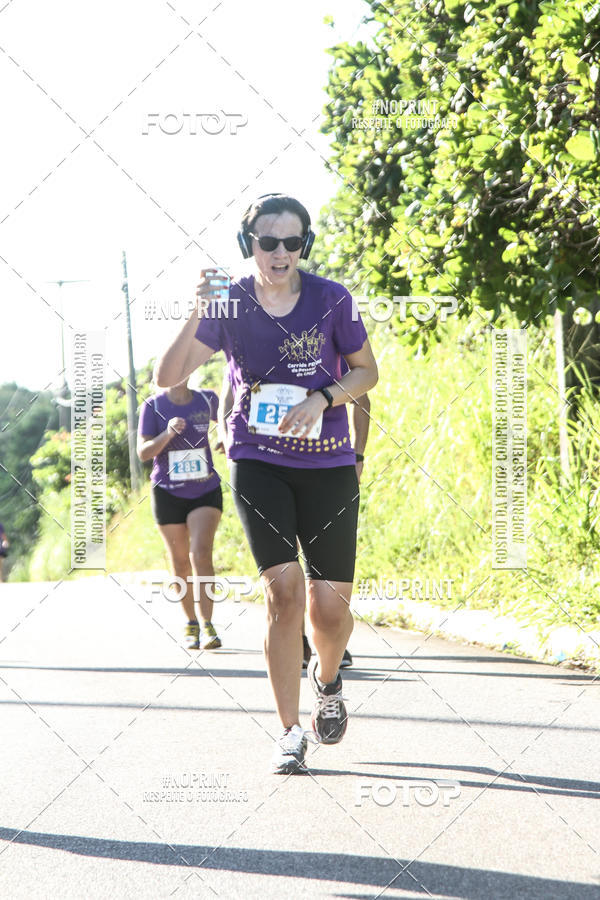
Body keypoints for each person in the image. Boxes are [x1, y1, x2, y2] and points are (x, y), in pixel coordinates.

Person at [155, 193, 378, 774]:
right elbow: (168, 376)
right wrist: (196, 310)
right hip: (257, 459)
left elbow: (366, 371)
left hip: (328, 462)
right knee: (283, 593)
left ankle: (326, 681)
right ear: (247, 245)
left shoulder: (332, 299)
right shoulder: (228, 303)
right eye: (267, 241)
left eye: (292, 242)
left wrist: (322, 398)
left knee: (329, 610)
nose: (280, 253)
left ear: (304, 244)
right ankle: (288, 733)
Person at [217, 369, 371, 669]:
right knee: (284, 570)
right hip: (265, 467)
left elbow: (361, 399)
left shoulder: (322, 347)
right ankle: (296, 638)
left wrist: (358, 455)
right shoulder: (251, 343)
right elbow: (227, 402)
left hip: (322, 467)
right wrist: (232, 452)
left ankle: (329, 640)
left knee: (324, 575)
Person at [137, 378, 223, 651]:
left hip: (204, 488)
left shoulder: (207, 399)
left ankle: (208, 624)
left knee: (201, 554)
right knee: (180, 561)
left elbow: (232, 420)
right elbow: (143, 452)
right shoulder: (152, 406)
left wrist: (224, 437)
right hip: (168, 491)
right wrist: (168, 434)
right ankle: (191, 622)